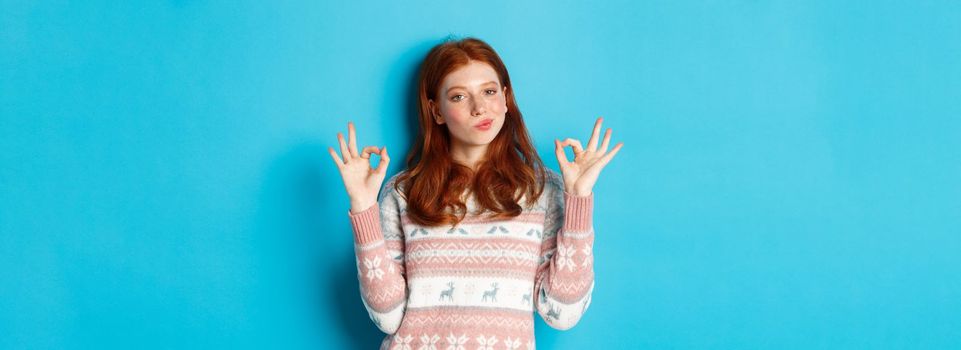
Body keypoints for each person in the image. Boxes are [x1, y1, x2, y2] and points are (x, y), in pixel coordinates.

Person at [328, 37, 623, 350]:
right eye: (458, 96)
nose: (479, 107)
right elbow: (388, 318)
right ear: (436, 110)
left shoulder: (542, 191)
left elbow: (561, 313)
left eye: (489, 91)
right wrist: (363, 208)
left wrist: (578, 199)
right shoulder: (404, 193)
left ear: (506, 98)